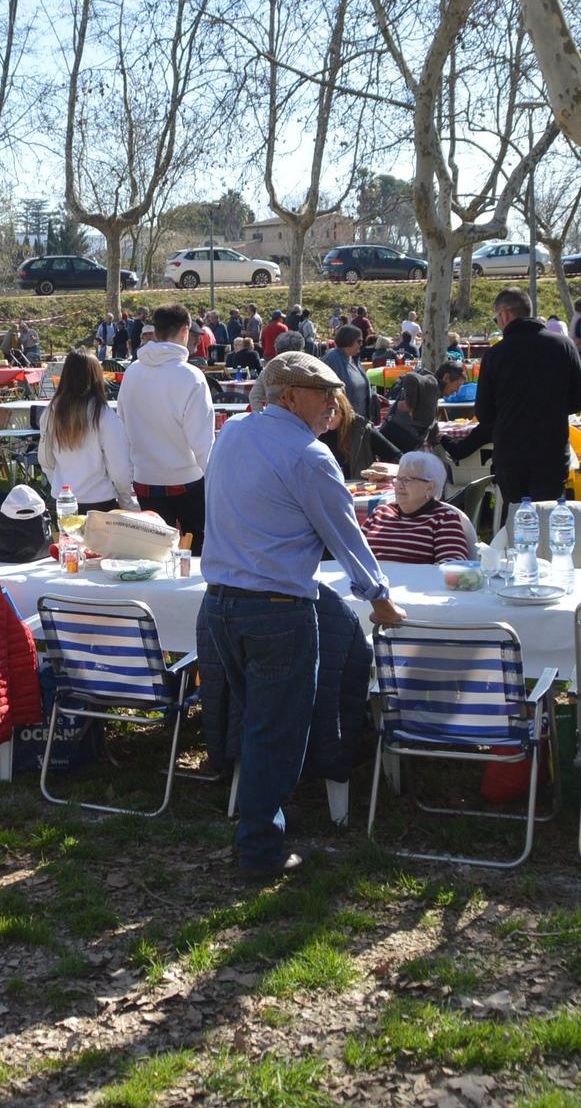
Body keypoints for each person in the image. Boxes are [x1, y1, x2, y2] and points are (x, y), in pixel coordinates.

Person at [199, 351, 404, 879]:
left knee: (258, 727)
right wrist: (378, 596)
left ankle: (257, 830)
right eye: (325, 395)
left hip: (220, 604)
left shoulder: (233, 434)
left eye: (338, 396)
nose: (335, 407)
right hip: (276, 610)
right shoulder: (308, 455)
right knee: (276, 734)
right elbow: (345, 535)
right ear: (288, 396)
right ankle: (260, 851)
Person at [446, 287, 581, 502]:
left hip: (511, 451)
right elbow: (579, 401)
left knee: (519, 518)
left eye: (496, 319)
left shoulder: (495, 355)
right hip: (551, 448)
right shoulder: (563, 345)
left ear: (504, 314)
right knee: (548, 515)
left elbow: (485, 413)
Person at [118, 303, 214, 551]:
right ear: (185, 331)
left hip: (144, 477)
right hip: (186, 479)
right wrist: (216, 486)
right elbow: (202, 443)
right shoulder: (191, 376)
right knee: (196, 553)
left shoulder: (132, 373)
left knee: (154, 554)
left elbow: (122, 424)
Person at [37, 350, 136, 513]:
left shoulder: (51, 412)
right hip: (99, 502)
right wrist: (126, 500)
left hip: (63, 501)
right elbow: (120, 468)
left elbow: (46, 460)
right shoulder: (103, 414)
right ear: (96, 376)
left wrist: (59, 485)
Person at [362, 451, 471, 564]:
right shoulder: (381, 512)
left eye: (407, 480)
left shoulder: (444, 518)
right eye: (398, 479)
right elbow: (353, 550)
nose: (399, 485)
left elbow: (453, 565)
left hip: (416, 582)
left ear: (430, 487)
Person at [321, 325, 376, 477]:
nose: (361, 344)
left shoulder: (354, 360)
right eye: (358, 341)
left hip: (357, 423)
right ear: (348, 340)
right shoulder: (331, 360)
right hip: (341, 427)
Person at [375, 371, 439, 456]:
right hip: (408, 437)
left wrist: (400, 405)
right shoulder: (429, 386)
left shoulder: (411, 380)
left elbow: (408, 406)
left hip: (399, 433)